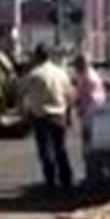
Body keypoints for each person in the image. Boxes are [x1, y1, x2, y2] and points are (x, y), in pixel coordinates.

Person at [21, 45, 74, 192]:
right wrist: (69, 116)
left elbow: (21, 92)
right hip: (59, 115)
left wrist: (24, 113)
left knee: (45, 150)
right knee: (60, 149)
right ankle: (66, 180)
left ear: (37, 56)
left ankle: (51, 181)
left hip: (41, 116)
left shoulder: (34, 74)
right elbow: (69, 95)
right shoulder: (61, 73)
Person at [74, 54, 107, 160]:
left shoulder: (88, 77)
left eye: (77, 64)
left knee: (88, 137)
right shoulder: (87, 74)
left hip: (91, 110)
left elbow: (83, 95)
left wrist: (79, 105)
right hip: (92, 108)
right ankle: (88, 156)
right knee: (88, 137)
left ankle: (89, 157)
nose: (75, 67)